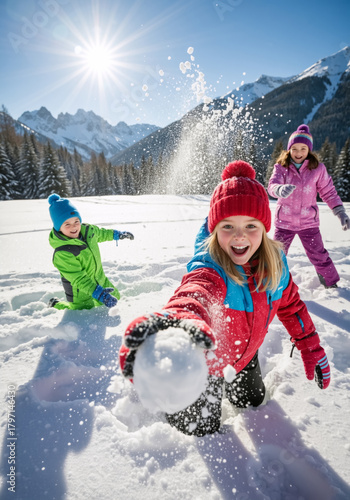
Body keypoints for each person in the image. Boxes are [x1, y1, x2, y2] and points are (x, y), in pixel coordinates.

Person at [118, 161, 330, 437]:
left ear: (264, 228)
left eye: (251, 225)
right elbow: (194, 295)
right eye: (227, 225)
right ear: (215, 229)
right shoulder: (211, 267)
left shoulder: (275, 265)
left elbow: (291, 306)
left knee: (253, 403)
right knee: (199, 431)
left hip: (246, 357)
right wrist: (176, 323)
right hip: (204, 367)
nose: (240, 235)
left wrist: (310, 347)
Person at [268, 124, 350, 289]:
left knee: (319, 255)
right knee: (276, 256)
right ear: (289, 149)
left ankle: (331, 284)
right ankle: (271, 285)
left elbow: (328, 192)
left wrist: (340, 212)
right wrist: (280, 189)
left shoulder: (317, 169)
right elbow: (272, 186)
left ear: (309, 150)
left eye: (303, 149)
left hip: (308, 224)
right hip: (284, 223)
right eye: (295, 148)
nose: (298, 153)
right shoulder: (281, 167)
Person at [47, 193, 134, 310]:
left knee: (116, 298)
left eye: (76, 221)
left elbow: (101, 234)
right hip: (79, 290)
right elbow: (79, 279)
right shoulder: (62, 253)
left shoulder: (88, 231)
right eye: (67, 224)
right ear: (59, 227)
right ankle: (55, 304)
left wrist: (117, 235)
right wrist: (99, 294)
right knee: (83, 312)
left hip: (100, 278)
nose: (74, 227)